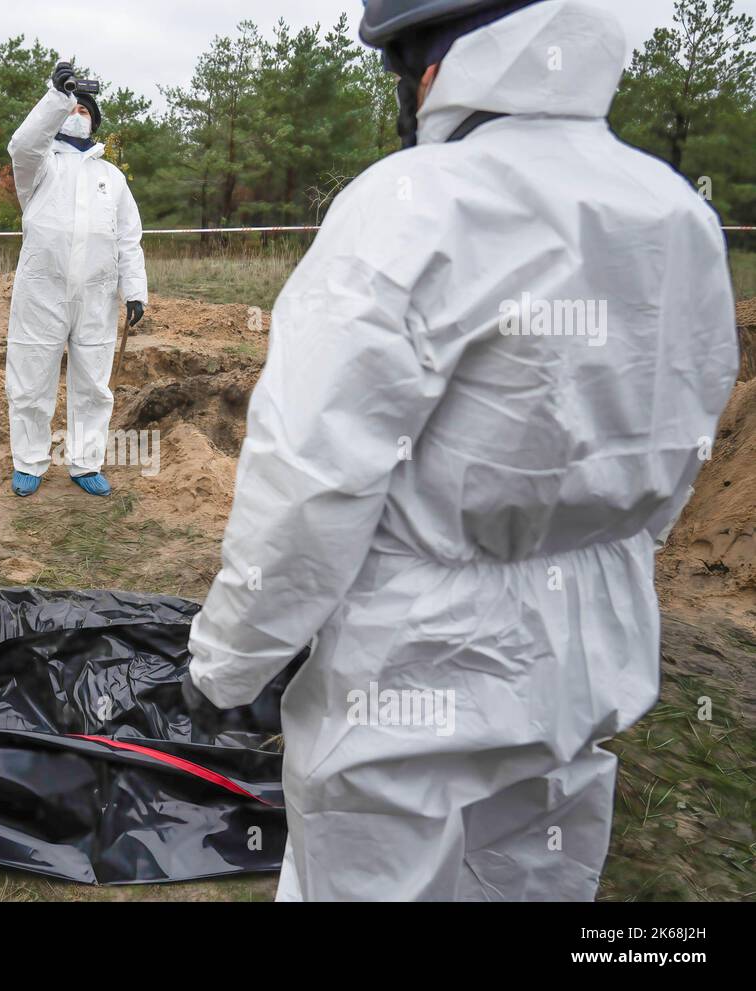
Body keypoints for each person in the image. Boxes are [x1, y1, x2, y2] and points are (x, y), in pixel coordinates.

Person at [184, 0, 739, 901]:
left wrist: (231, 663)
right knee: (530, 875)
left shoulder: (411, 203)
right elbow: (684, 427)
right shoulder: (676, 213)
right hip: (588, 648)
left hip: (415, 663)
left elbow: (312, 479)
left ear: (435, 62)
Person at [6, 60, 148, 498]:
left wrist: (135, 290)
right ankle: (29, 461)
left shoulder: (113, 177)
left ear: (96, 121)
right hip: (41, 293)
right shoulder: (40, 166)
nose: (78, 113)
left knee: (92, 386)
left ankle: (85, 463)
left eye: (85, 109)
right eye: (73, 108)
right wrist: (57, 94)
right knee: (31, 380)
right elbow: (22, 144)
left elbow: (128, 238)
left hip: (96, 298)